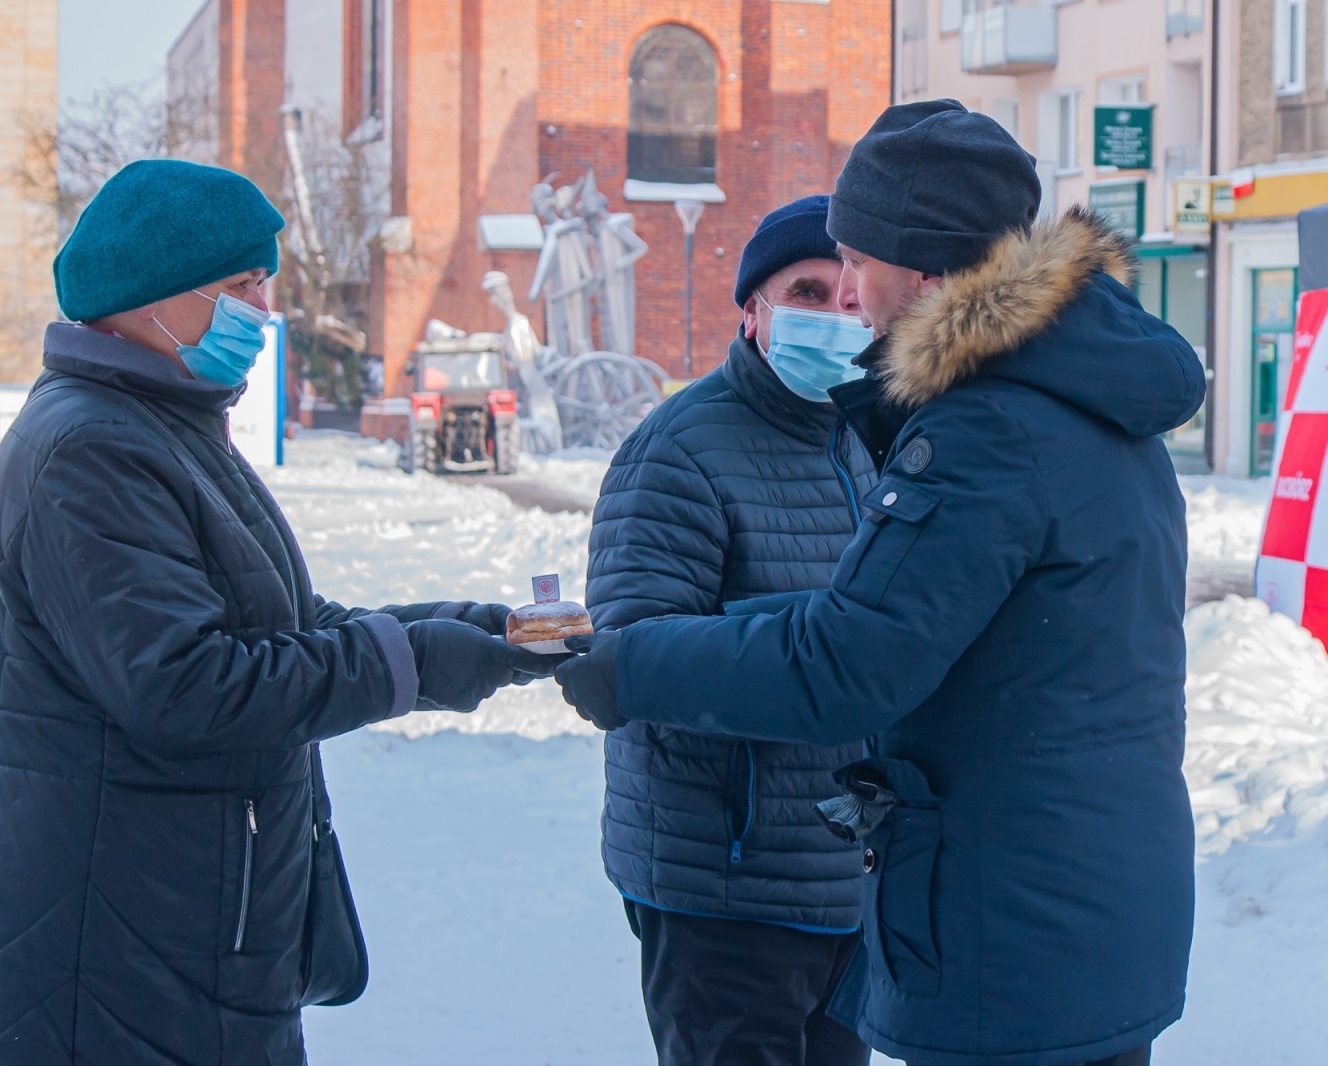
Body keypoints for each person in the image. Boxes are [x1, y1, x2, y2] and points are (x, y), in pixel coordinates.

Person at [558, 100, 1206, 1066]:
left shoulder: (989, 430)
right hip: (1092, 899)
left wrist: (631, 664)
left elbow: (847, 665)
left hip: (1012, 918)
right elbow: (947, 622)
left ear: (929, 271)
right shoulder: (1085, 395)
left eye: (858, 264)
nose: (852, 299)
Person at [0, 159, 558, 1065]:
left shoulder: (161, 425)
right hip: (122, 952)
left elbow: (285, 625)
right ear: (155, 295)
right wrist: (408, 663)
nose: (261, 309)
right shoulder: (90, 449)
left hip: (192, 930)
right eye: (239, 285)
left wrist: (466, 632)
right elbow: (186, 686)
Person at [584, 194, 876, 1066]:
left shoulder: (870, 439)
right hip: (724, 886)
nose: (836, 314)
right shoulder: (677, 449)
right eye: (808, 293)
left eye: (851, 294)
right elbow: (629, 658)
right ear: (754, 311)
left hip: (841, 879)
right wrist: (831, 647)